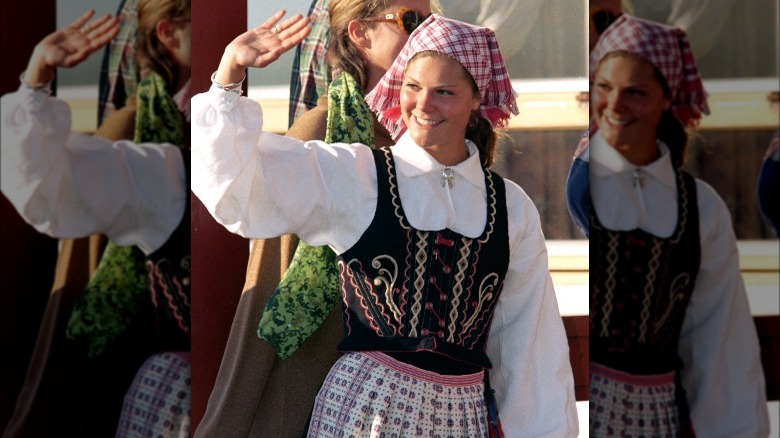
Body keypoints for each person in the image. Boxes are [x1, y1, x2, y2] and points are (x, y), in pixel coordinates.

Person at [192, 10, 578, 437]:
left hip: (460, 418)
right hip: (364, 411)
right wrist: (228, 76)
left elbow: (530, 349)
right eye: (413, 87)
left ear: (475, 101)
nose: (424, 105)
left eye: (444, 92)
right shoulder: (359, 175)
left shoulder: (511, 207)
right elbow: (242, 184)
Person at [194, 1, 446, 436]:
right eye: (411, 20)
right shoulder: (319, 131)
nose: (427, 35)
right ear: (361, 33)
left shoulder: (427, 135)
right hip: (315, 381)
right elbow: (240, 207)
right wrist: (230, 73)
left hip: (411, 400)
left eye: (433, 23)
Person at [0, 2, 192, 436]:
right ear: (169, 33)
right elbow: (44, 184)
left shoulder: (214, 123)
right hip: (147, 361)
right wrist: (36, 80)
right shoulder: (136, 138)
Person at [585, 14, 770, 436]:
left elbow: (720, 344)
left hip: (657, 418)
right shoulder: (575, 182)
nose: (614, 106)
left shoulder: (701, 207)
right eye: (605, 88)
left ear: (666, 98)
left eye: (635, 92)